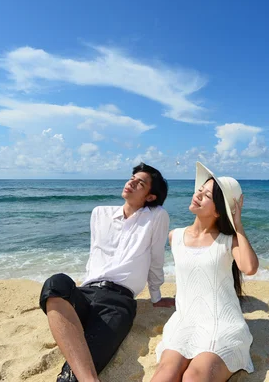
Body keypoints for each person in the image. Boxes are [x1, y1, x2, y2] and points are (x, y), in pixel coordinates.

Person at [39, 163, 175, 382]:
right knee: (56, 283)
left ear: (150, 197)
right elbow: (95, 255)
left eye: (140, 183)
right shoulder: (100, 213)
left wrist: (156, 296)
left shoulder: (156, 216)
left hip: (117, 302)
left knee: (77, 371)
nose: (131, 182)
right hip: (85, 294)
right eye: (132, 177)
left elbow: (156, 257)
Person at [152, 162, 259, 382]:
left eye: (206, 195)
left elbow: (249, 267)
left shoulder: (229, 241)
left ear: (219, 210)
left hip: (221, 325)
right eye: (199, 190)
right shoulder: (175, 237)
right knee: (165, 375)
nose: (198, 195)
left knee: (194, 377)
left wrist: (238, 226)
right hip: (185, 322)